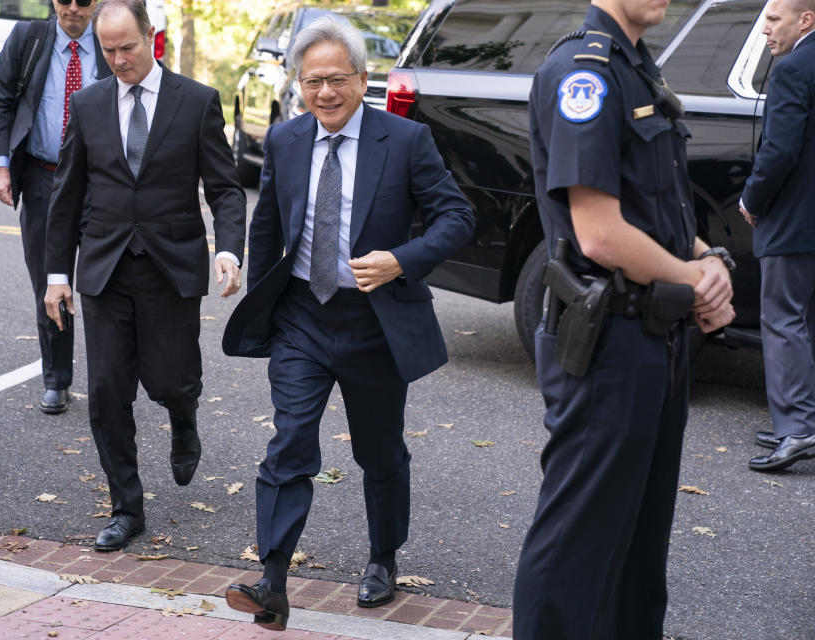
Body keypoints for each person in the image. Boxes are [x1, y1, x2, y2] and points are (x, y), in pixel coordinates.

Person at [221, 16, 475, 632]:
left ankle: (383, 557)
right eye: (312, 82)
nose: (325, 93)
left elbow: (457, 217)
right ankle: (273, 580)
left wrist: (401, 261)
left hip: (374, 324)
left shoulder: (406, 140)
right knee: (289, 442)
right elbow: (268, 228)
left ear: (364, 80)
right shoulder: (284, 141)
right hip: (302, 318)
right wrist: (263, 305)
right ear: (298, 85)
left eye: (337, 80)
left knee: (378, 449)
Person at [512, 0, 737, 637]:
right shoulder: (584, 73)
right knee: (576, 542)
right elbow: (601, 235)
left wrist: (706, 260)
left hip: (655, 339)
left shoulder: (637, 68)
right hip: (605, 342)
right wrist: (696, 280)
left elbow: (656, 213)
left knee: (638, 544)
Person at [43, 0, 246, 551]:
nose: (118, 60)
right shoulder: (87, 105)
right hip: (104, 270)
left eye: (127, 47)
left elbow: (225, 188)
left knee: (171, 378)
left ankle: (183, 417)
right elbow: (67, 196)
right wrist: (57, 274)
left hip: (170, 268)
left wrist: (229, 249)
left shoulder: (196, 101)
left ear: (150, 36)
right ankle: (126, 508)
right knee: (108, 392)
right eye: (107, 50)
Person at [0, 0, 111, 415]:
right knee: (49, 281)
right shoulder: (28, 39)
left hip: (99, 183)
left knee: (103, 285)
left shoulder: (112, 43)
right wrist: (2, 166)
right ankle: (56, 379)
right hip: (43, 178)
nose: (73, 7)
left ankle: (110, 380)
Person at [739, 0, 815, 472]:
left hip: (794, 219)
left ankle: (796, 430)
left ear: (806, 19)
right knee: (806, 321)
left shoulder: (792, 69)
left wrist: (751, 200)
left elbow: (779, 148)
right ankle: (804, 419)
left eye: (773, 19)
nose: (764, 29)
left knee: (783, 320)